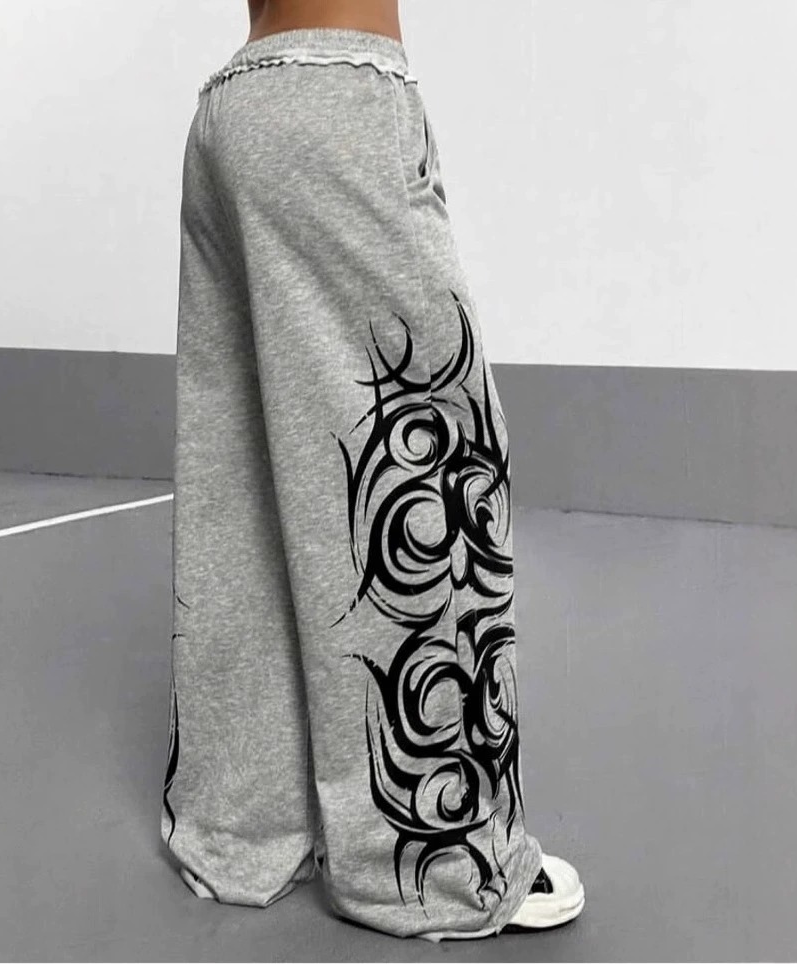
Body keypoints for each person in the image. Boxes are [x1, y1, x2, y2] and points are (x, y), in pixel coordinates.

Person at [161, 0, 586, 941]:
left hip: (237, 104)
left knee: (252, 475)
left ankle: (242, 826)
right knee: (429, 461)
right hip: (340, 98)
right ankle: (436, 864)